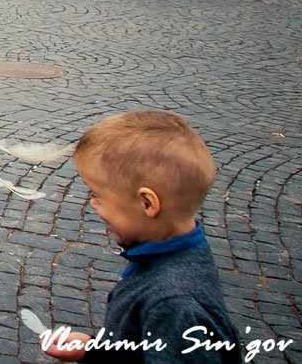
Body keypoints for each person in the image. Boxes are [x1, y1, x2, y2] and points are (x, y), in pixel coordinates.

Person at [43, 111, 240, 362]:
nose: (92, 204)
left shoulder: (175, 305)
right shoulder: (177, 256)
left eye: (97, 194)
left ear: (147, 203)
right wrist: (94, 350)